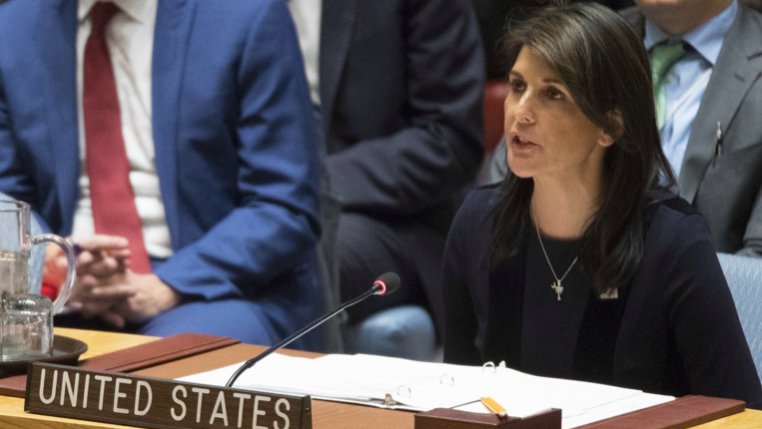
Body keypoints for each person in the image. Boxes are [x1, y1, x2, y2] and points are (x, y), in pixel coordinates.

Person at [443, 3, 762, 407]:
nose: (520, 112)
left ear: (610, 126)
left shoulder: (672, 242)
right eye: (518, 86)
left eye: (553, 94)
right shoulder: (477, 224)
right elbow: (456, 398)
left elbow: (741, 413)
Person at [0, 0, 322, 348]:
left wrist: (167, 285)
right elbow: (10, 201)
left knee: (166, 367)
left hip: (213, 290)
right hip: (67, 291)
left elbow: (283, 205)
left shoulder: (244, 16)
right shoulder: (14, 29)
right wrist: (54, 266)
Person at [491, 0, 762, 258]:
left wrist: (674, 280)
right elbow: (500, 197)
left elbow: (756, 264)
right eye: (517, 87)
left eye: (553, 94)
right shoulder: (581, 37)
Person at [287, 0, 484, 340]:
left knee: (292, 256)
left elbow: (449, 140)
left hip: (395, 216)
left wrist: (311, 183)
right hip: (262, 201)